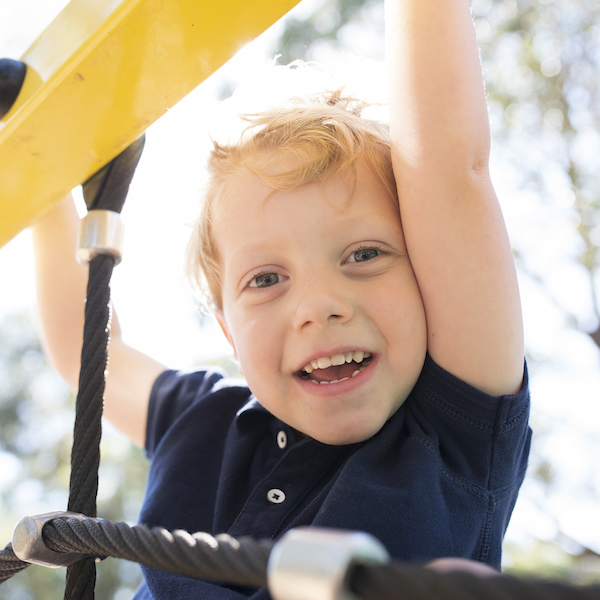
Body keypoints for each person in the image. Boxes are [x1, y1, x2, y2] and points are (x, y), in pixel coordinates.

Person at [30, 0, 531, 598]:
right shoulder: (200, 419)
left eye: (364, 255)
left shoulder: (454, 429)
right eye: (266, 280)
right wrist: (40, 170)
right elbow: (79, 349)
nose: (319, 306)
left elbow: (448, 168)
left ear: (429, 276)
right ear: (227, 332)